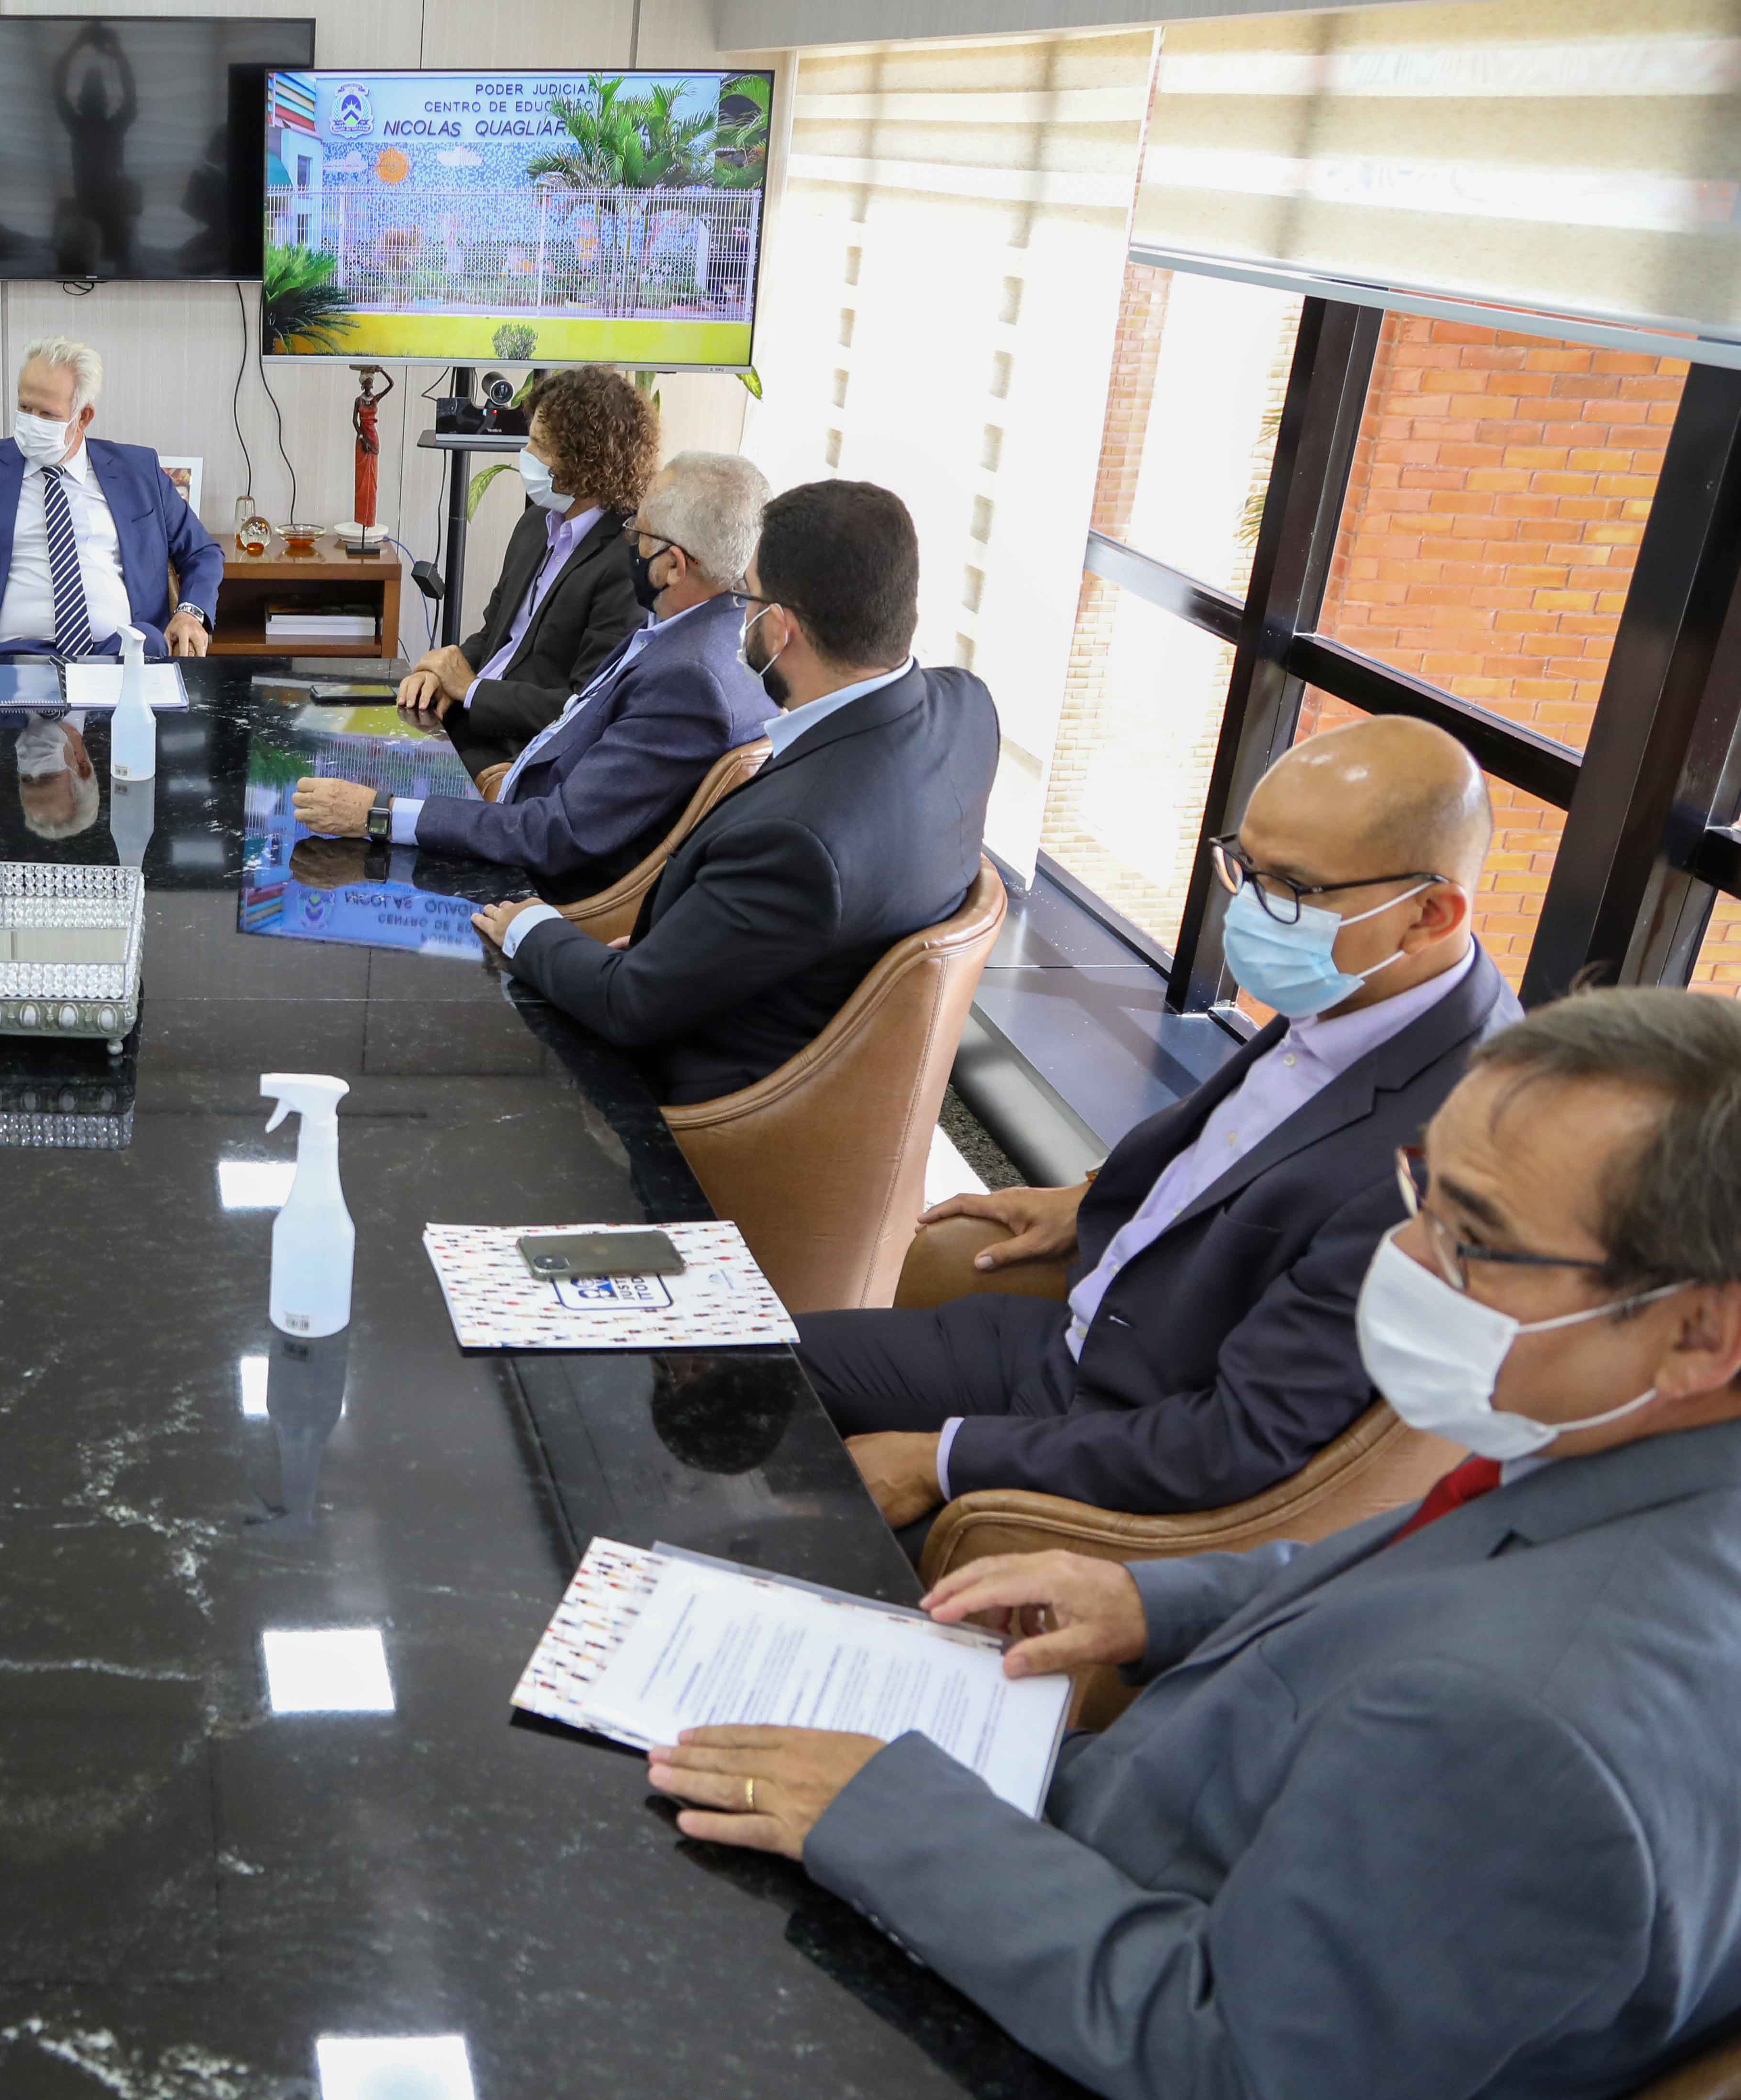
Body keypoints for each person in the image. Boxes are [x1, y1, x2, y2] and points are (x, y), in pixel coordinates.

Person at [649, 988, 1741, 2100]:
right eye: (1421, 1190)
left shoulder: (1522, 1723)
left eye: (1471, 1237)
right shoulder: (1639, 1471)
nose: (1399, 1254)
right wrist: (1155, 1599)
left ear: (1701, 1331)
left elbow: (1240, 2065)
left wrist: (882, 1818)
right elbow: (1426, 1572)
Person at [812, 715, 1517, 1526]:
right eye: (1245, 867)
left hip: (1124, 1427)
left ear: (1429, 915)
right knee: (726, 1362)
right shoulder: (1371, 986)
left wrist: (939, 1460)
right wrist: (1095, 1199)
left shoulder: (1441, 1155)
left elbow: (1235, 1439)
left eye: (1291, 888)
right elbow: (1246, 1154)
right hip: (1069, 1338)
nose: (1248, 910)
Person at [471, 479, 997, 1124]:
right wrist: (679, 947)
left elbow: (626, 1005)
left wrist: (528, 928)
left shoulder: (795, 840)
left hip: (713, 1109)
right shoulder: (967, 707)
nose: (737, 616)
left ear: (779, 628)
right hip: (759, 991)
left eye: (745, 595)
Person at [289, 451, 775, 902]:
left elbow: (555, 835)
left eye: (639, 532)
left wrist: (379, 814)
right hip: (516, 807)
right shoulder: (713, 632)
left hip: (533, 882)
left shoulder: (690, 683)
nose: (627, 540)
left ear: (673, 566)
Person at [0, 335, 225, 659]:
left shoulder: (139, 471)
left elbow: (203, 552)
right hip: (7, 661)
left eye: (47, 414)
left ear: (83, 417)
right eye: (25, 408)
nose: (32, 422)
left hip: (124, 657)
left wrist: (190, 612)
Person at [392, 366, 663, 771]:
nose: (525, 453)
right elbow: (495, 635)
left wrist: (470, 689)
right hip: (468, 721)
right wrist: (439, 676)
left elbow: (586, 706)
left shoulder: (626, 560)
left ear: (585, 461)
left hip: (518, 753)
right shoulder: (536, 524)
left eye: (539, 444)